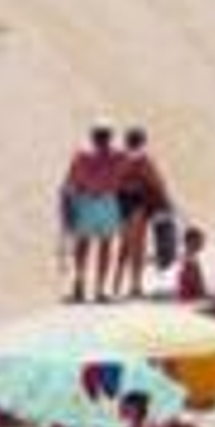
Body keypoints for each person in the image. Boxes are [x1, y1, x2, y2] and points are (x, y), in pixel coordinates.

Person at [61, 126, 124, 303]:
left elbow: (70, 181)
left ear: (92, 137)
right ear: (109, 138)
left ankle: (80, 284)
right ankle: (100, 289)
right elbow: (123, 176)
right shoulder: (117, 156)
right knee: (105, 245)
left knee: (83, 244)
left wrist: (68, 207)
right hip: (107, 201)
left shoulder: (82, 155)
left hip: (87, 201)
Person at [111, 126, 171, 298]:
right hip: (137, 203)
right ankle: (135, 285)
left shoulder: (120, 157)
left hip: (120, 202)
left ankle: (116, 283)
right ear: (142, 141)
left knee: (124, 245)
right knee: (137, 246)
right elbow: (156, 181)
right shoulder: (143, 158)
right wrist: (165, 202)